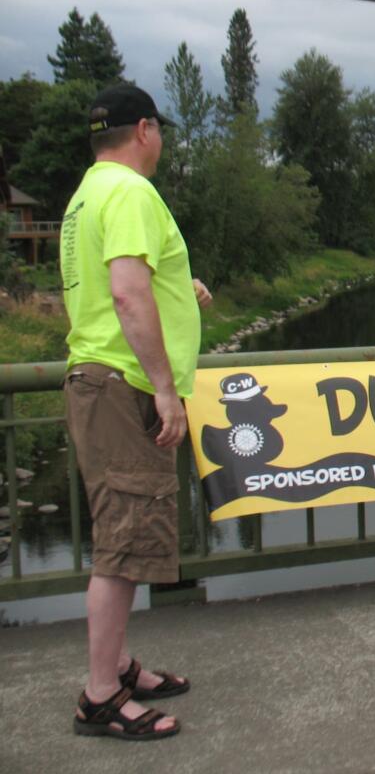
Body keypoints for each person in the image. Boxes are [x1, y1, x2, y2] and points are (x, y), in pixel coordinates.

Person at [61, 83, 212, 741]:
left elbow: (125, 282)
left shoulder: (88, 193)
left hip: (97, 380)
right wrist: (164, 388)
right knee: (122, 546)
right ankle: (100, 696)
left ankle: (118, 667)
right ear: (144, 130)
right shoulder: (131, 192)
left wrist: (183, 289)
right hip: (122, 385)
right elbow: (126, 296)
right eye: (161, 132)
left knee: (119, 530)